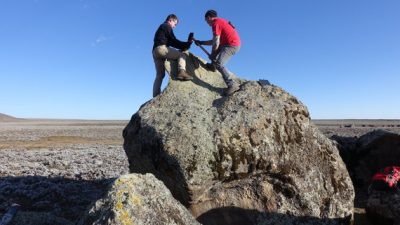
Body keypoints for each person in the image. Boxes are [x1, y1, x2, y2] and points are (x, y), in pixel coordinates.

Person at [195, 10, 241, 95]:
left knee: (220, 63)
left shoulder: (216, 23)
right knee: (215, 55)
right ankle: (213, 66)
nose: (207, 23)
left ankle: (232, 84)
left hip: (232, 45)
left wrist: (213, 54)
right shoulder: (221, 21)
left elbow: (216, 42)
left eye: (206, 20)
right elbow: (215, 41)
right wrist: (201, 42)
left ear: (209, 18)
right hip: (225, 43)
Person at [152, 14, 193, 97]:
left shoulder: (161, 28)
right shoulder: (167, 26)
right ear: (170, 20)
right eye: (175, 24)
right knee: (182, 55)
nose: (174, 26)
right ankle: (182, 72)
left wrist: (184, 45)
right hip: (162, 48)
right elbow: (173, 41)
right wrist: (186, 45)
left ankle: (155, 95)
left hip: (155, 51)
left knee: (160, 75)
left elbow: (171, 42)